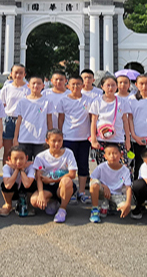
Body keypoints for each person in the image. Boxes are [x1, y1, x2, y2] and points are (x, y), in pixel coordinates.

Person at [56, 75, 95, 205]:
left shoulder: (89, 100)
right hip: (68, 137)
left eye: (78, 84)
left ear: (83, 85)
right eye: (73, 84)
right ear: (68, 86)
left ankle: (82, 192)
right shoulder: (63, 100)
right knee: (68, 166)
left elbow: (92, 118)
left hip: (84, 138)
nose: (75, 86)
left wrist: (92, 136)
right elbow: (61, 118)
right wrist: (60, 135)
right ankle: (70, 190)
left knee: (83, 165)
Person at [31, 129, 78, 223]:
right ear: (47, 141)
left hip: (61, 184)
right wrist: (41, 194)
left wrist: (52, 180)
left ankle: (62, 209)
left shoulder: (68, 153)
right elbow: (38, 177)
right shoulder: (40, 157)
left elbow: (72, 174)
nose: (57, 144)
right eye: (53, 141)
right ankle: (52, 201)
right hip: (46, 185)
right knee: (34, 201)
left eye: (59, 141)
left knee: (67, 181)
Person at [90, 76, 132, 166]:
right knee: (103, 166)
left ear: (116, 87)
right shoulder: (97, 102)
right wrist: (93, 140)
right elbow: (93, 121)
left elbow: (125, 121)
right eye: (108, 85)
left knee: (122, 165)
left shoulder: (122, 102)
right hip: (102, 139)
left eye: (113, 85)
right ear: (102, 87)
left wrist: (127, 140)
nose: (110, 88)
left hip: (118, 138)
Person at [89, 143, 133, 222]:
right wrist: (104, 186)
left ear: (121, 155)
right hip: (103, 192)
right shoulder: (101, 167)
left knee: (125, 207)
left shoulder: (125, 170)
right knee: (94, 184)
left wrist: (128, 203)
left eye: (115, 153)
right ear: (105, 156)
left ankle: (111, 205)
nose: (112, 156)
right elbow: (92, 179)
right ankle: (95, 210)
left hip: (117, 195)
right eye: (109, 154)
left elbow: (128, 187)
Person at [13, 76, 54, 163]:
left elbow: (49, 121)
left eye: (39, 83)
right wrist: (15, 138)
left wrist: (50, 138)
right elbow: (19, 121)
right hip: (24, 138)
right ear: (28, 85)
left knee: (41, 165)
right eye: (33, 83)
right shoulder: (22, 101)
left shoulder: (47, 101)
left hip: (41, 140)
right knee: (24, 164)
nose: (36, 86)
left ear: (43, 86)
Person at [0, 64, 31, 162]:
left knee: (22, 151)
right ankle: (7, 171)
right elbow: (2, 106)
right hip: (9, 120)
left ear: (24, 74)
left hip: (24, 121)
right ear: (11, 74)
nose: (18, 75)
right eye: (16, 73)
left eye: (21, 73)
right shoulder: (6, 88)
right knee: (8, 151)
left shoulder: (29, 88)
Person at [0, 145, 37, 217]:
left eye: (21, 158)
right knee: (5, 184)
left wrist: (22, 170)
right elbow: (8, 185)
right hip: (14, 191)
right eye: (15, 159)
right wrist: (17, 170)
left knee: (33, 183)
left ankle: (28, 204)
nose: (18, 161)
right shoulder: (6, 167)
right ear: (9, 159)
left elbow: (27, 184)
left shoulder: (30, 166)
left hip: (24, 190)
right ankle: (8, 204)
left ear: (26, 158)